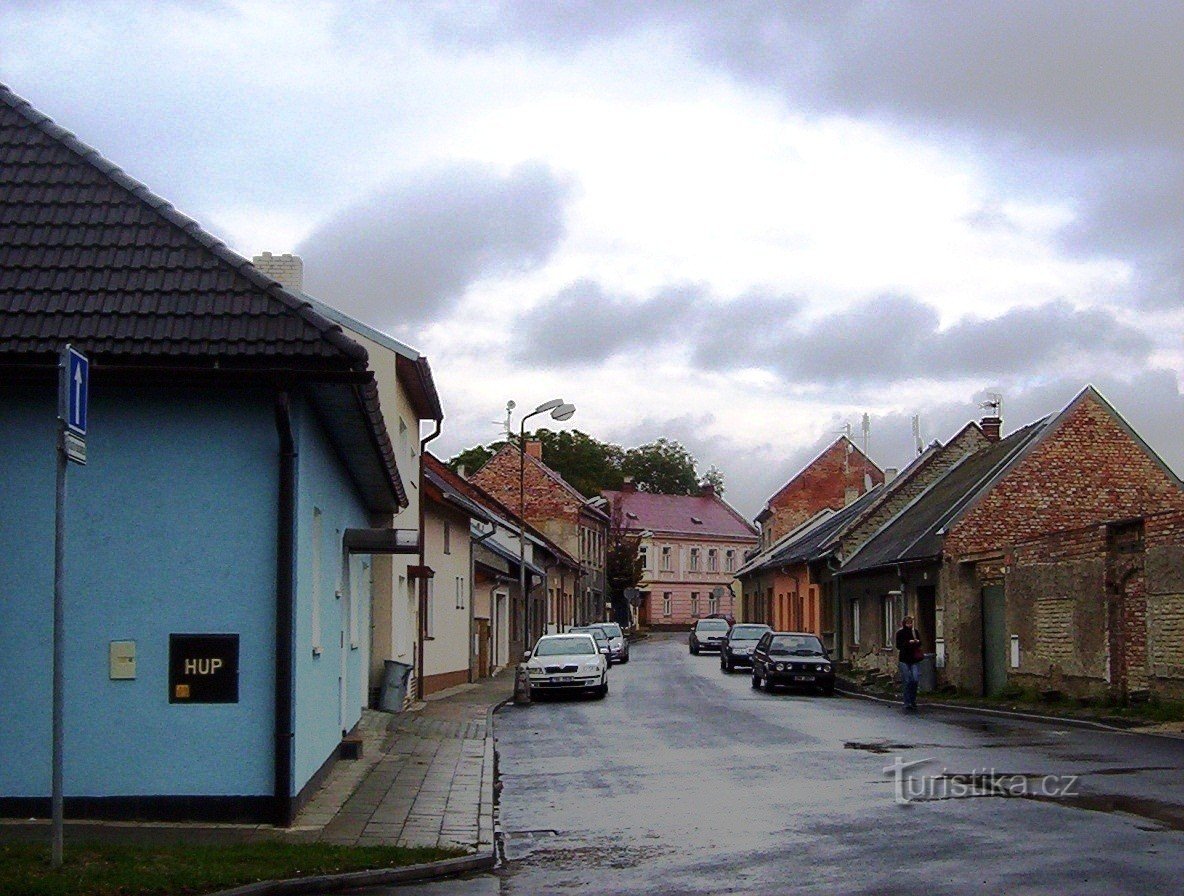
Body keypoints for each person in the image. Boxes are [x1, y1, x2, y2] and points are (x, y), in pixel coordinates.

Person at [896, 616, 923, 711]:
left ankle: (913, 700)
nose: (909, 625)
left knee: (915, 679)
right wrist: (908, 643)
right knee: (907, 680)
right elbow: (898, 646)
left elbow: (920, 644)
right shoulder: (900, 633)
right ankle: (907, 702)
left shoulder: (914, 632)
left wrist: (917, 641)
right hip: (904, 660)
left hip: (914, 659)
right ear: (904, 624)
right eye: (908, 623)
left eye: (911, 623)